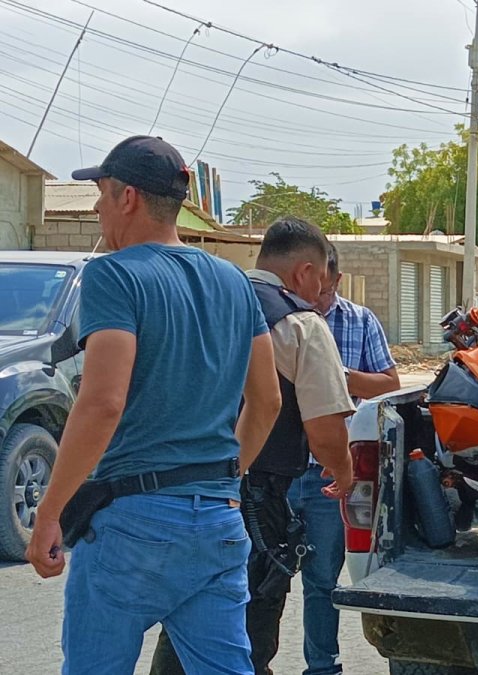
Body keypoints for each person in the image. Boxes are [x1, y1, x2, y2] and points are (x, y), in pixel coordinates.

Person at [25, 135, 282, 674]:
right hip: (218, 518)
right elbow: (267, 401)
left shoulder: (113, 275)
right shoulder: (234, 282)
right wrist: (223, 480)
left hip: (132, 524)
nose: (95, 207)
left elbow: (101, 402)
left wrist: (48, 513)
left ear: (129, 197)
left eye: (100, 192)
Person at [153, 218, 357, 675]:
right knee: (245, 635)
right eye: (322, 279)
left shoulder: (201, 303)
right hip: (253, 500)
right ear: (305, 273)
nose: (322, 291)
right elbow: (325, 431)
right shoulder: (302, 324)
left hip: (177, 489)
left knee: (187, 623)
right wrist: (343, 473)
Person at [288, 244, 398, 675]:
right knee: (262, 581)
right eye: (312, 286)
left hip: (331, 473)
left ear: (334, 278)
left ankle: (322, 666)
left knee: (321, 579)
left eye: (326, 287)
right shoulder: (278, 319)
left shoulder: (359, 321)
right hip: (279, 469)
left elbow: (388, 383)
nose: (318, 295)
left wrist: (336, 374)